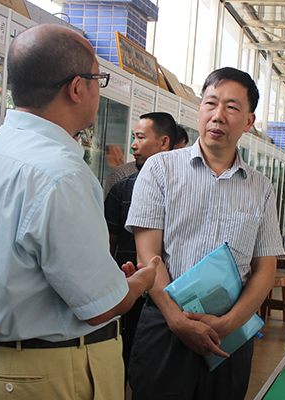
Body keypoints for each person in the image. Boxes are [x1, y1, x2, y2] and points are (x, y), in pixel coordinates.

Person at [0, 24, 156, 400]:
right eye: (99, 80)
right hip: (51, 375)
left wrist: (110, 282)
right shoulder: (62, 173)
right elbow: (100, 308)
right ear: (76, 88)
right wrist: (140, 283)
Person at [125, 67, 285, 400]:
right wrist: (177, 320)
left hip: (229, 333)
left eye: (231, 107)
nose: (218, 115)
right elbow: (148, 255)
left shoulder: (261, 188)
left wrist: (228, 324)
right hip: (165, 324)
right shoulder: (160, 170)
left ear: (249, 121)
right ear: (199, 109)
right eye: (211, 103)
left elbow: (265, 269)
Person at [104, 111, 177, 379]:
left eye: (140, 137)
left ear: (164, 142)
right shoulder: (121, 188)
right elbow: (108, 246)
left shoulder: (182, 187)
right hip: (128, 290)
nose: (133, 145)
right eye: (134, 137)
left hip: (171, 292)